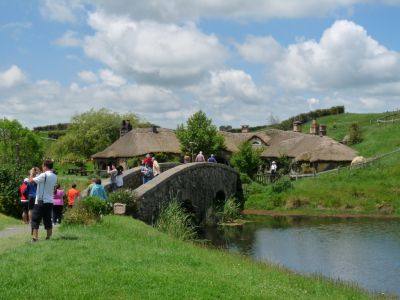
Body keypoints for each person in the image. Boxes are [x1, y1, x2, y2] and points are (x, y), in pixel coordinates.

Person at [30, 159, 57, 242]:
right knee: (47, 219)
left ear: (45, 166)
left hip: (40, 201)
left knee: (35, 219)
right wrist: (39, 173)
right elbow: (43, 180)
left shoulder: (43, 175)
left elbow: (31, 181)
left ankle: (35, 238)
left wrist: (32, 173)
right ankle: (49, 237)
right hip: (49, 201)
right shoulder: (54, 176)